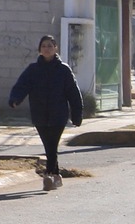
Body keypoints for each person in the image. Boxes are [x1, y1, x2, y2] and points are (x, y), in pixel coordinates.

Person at [7, 34, 84, 191]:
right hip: (39, 113)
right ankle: (56, 176)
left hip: (58, 114)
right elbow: (22, 85)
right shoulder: (33, 70)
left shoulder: (63, 70)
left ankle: (48, 176)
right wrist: (15, 99)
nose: (47, 49)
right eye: (44, 46)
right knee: (48, 145)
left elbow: (73, 93)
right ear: (39, 50)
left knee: (52, 145)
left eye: (50, 46)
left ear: (55, 48)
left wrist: (77, 115)